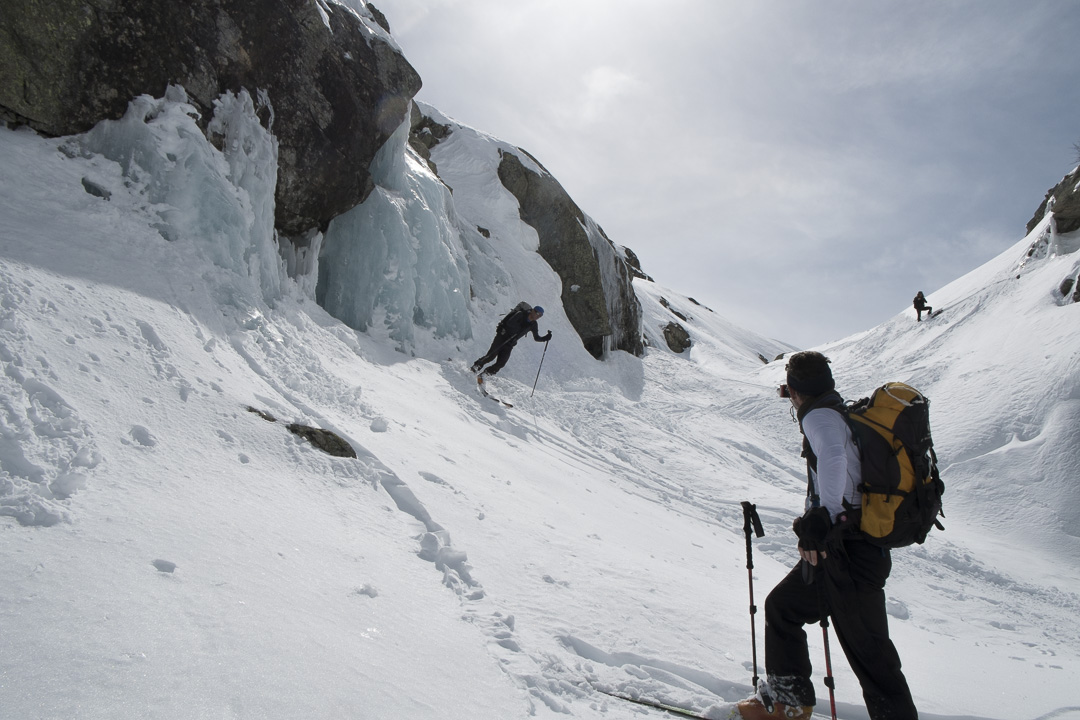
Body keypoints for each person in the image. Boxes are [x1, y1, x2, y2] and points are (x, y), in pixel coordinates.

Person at [736, 351, 918, 720]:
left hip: (849, 552)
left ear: (797, 388)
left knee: (870, 653)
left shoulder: (820, 417)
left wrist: (823, 518)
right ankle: (788, 703)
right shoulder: (833, 409)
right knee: (783, 608)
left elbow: (833, 457)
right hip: (843, 549)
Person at [470, 303, 551, 376]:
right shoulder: (521, 314)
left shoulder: (533, 324)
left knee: (501, 363)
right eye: (537, 313)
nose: (538, 316)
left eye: (540, 316)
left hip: (510, 343)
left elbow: (536, 338)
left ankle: (485, 374)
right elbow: (509, 323)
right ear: (533, 311)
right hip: (502, 337)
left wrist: (545, 338)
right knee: (491, 356)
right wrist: (522, 326)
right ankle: (476, 366)